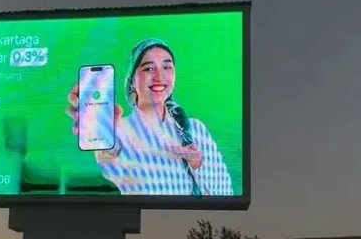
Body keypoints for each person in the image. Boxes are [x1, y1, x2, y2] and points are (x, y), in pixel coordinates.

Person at [65, 38, 234, 196]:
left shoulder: (196, 129)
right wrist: (102, 135)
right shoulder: (121, 130)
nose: (159, 77)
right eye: (149, 69)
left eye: (167, 67)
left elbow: (225, 193)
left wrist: (198, 166)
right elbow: (111, 165)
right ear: (132, 80)